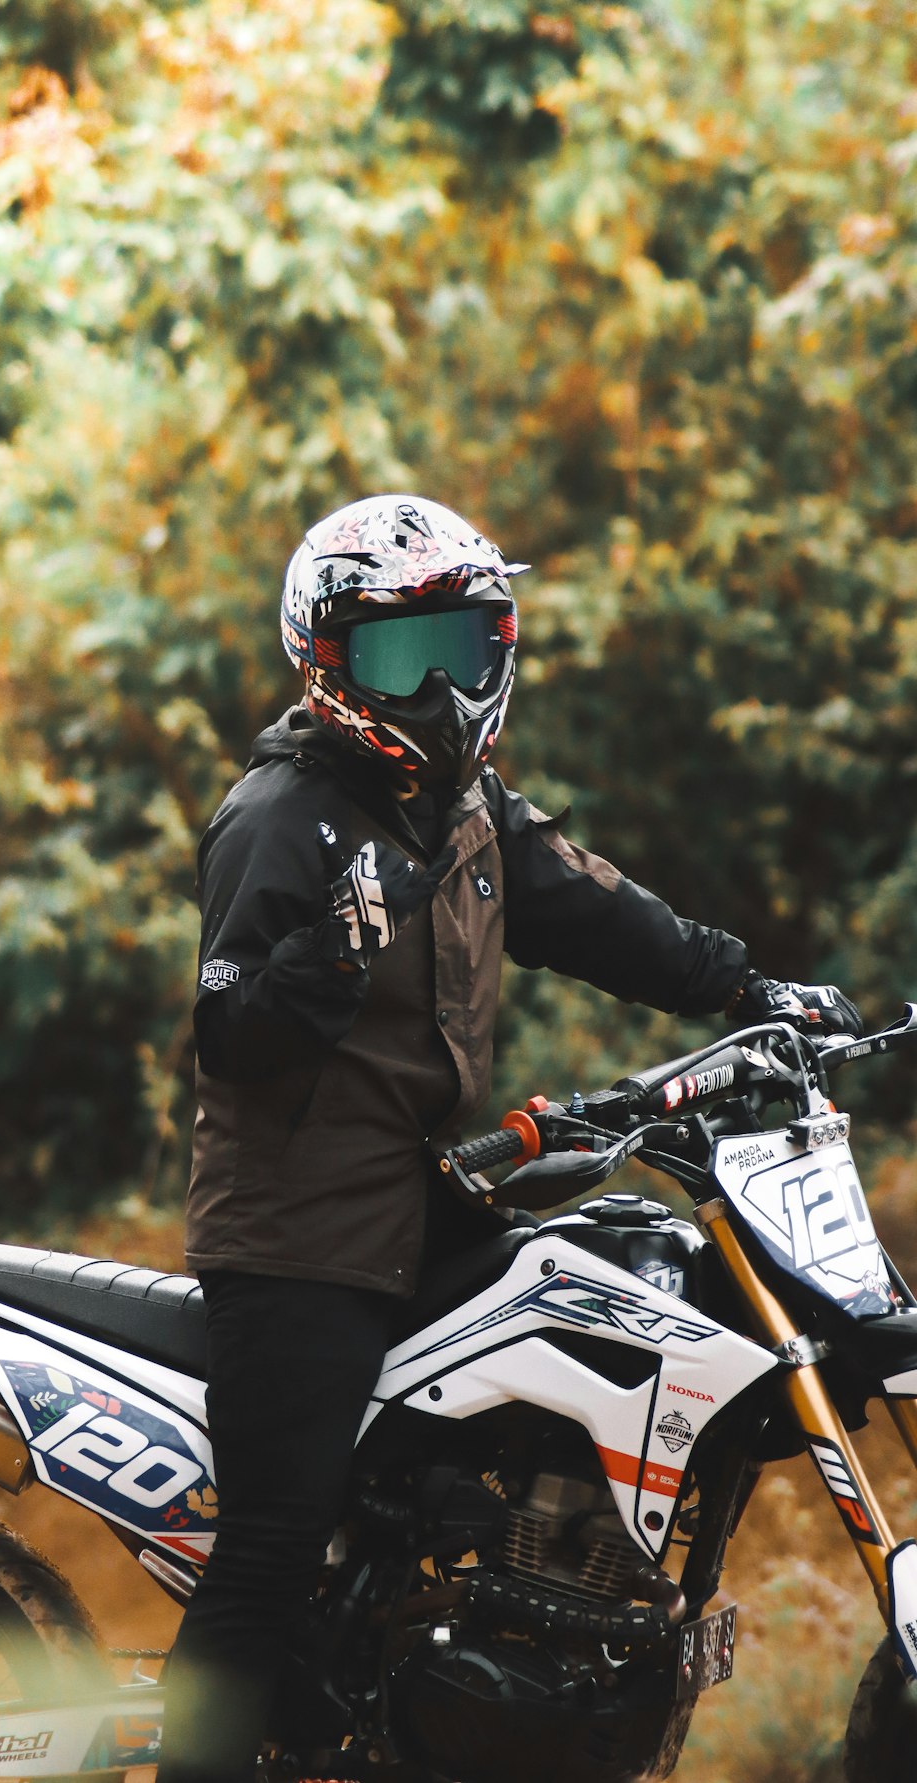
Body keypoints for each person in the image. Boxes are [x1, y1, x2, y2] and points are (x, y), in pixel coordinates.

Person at [156, 494, 861, 1781]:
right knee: (268, 1545)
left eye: (459, 648)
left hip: (425, 1200)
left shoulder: (466, 806)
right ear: (324, 658)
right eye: (393, 654)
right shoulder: (281, 818)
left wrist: (750, 988)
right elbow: (230, 1035)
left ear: (502, 646)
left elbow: (602, 915)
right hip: (299, 1238)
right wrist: (322, 961)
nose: (433, 686)